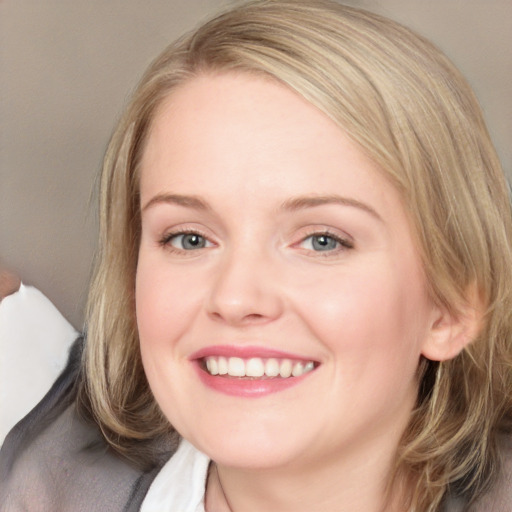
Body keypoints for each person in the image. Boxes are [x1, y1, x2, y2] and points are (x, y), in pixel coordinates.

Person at [1, 1, 511, 510]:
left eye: (322, 240)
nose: (236, 297)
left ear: (449, 310)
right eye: (189, 239)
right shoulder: (36, 445)